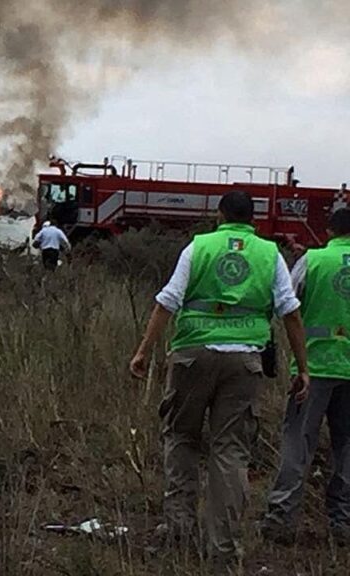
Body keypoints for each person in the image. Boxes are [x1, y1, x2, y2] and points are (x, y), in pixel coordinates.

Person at [128, 191, 309, 563]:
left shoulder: (198, 248)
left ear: (220, 215)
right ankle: (222, 548)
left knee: (182, 438)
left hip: (192, 356)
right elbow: (290, 312)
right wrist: (302, 367)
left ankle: (179, 534)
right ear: (252, 220)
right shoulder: (269, 254)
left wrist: (144, 350)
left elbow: (167, 301)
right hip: (245, 362)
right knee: (230, 450)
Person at [261, 208, 350, 545]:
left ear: (329, 231)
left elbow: (287, 304)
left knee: (298, 441)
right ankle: (342, 521)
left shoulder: (313, 261)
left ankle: (281, 519)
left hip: (314, 367)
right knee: (347, 446)